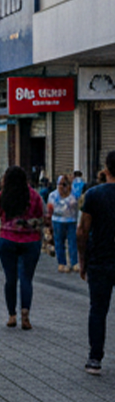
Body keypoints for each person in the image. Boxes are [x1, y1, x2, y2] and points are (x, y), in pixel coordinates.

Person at [0, 165, 48, 330]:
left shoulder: (2, 196)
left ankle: (12, 315)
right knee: (26, 278)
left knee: (10, 279)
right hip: (31, 241)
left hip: (7, 240)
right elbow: (44, 217)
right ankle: (25, 314)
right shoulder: (34, 196)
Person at [78, 152, 115, 376]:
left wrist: (82, 260)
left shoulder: (93, 195)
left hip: (100, 260)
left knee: (98, 309)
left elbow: (83, 230)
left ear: (106, 168)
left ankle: (95, 358)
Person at [49, 174, 80, 273]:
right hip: (57, 220)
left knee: (72, 242)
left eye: (64, 184)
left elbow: (77, 204)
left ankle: (74, 262)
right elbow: (51, 208)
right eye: (60, 184)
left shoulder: (73, 194)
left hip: (71, 221)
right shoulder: (53, 195)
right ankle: (61, 263)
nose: (62, 186)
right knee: (59, 242)